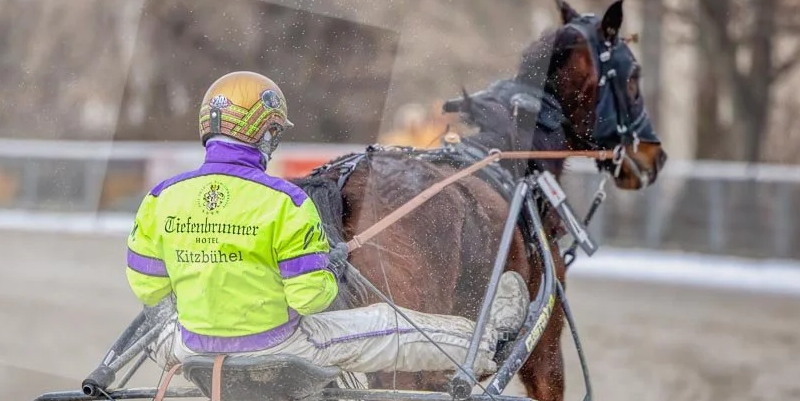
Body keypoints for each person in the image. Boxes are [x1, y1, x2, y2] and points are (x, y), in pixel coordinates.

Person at [124, 71, 528, 375]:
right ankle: (490, 340)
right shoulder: (284, 201)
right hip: (282, 348)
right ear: (265, 135)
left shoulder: (161, 198)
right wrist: (329, 268)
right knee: (392, 325)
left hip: (192, 350)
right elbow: (309, 299)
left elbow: (149, 287)